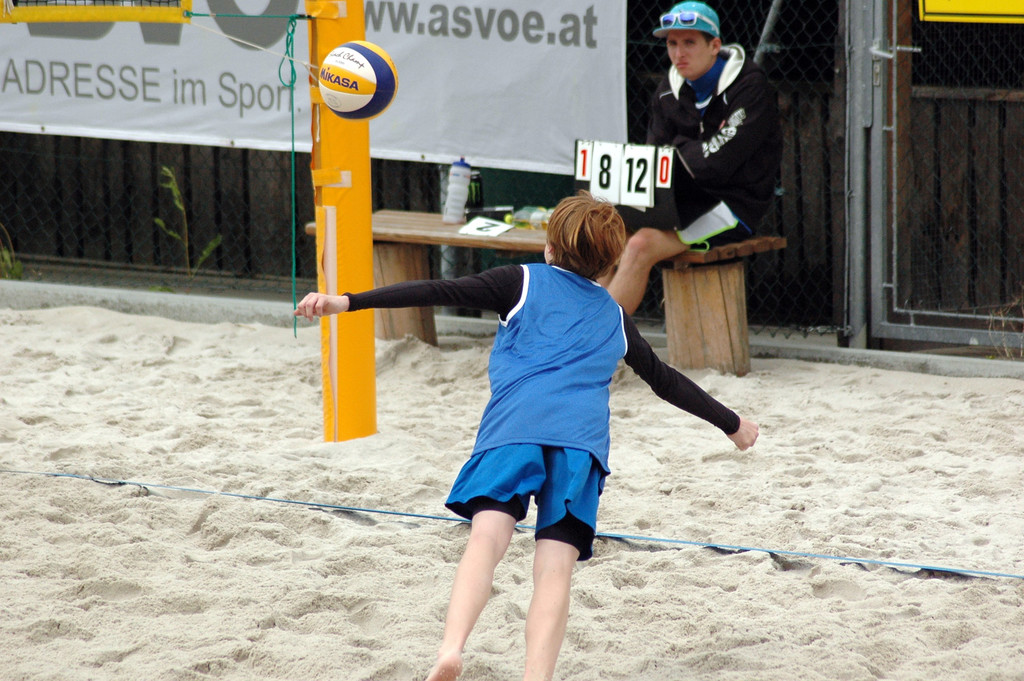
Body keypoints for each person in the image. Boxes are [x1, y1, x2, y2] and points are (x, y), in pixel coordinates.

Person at [295, 192, 759, 681]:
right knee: (554, 571)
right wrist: (733, 424)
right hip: (579, 447)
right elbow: (666, 381)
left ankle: (451, 649)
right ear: (610, 265)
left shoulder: (519, 282)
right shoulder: (615, 316)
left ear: (550, 248)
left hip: (514, 431)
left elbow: (438, 289)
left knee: (486, 540)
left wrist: (346, 302)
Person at [601, 1, 783, 315]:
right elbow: (656, 162)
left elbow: (719, 164)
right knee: (606, 233)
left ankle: (598, 338)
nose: (678, 53)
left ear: (714, 46)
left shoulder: (750, 86)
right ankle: (578, 331)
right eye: (672, 44)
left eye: (689, 42)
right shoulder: (667, 91)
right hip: (679, 203)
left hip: (732, 206)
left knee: (641, 244)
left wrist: (678, 149)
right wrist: (687, 153)